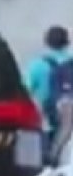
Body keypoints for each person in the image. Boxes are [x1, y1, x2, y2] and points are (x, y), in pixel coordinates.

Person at [25, 24, 73, 154]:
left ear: (46, 42)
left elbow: (25, 92)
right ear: (67, 42)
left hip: (48, 120)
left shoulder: (37, 65)